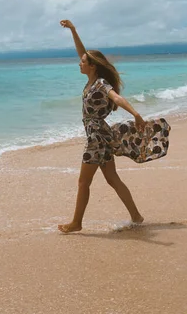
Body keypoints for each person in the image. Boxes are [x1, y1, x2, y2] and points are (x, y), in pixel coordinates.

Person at [57, 19, 171, 233]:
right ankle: (136, 216)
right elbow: (83, 52)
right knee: (112, 178)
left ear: (92, 66)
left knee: (83, 182)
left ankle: (76, 223)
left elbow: (117, 98)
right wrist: (73, 31)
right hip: (101, 135)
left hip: (96, 138)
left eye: (83, 62)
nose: (79, 63)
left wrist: (136, 114)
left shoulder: (100, 83)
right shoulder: (92, 78)